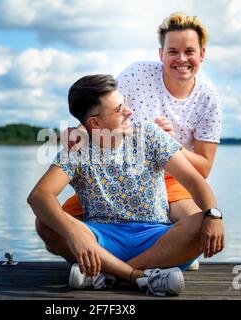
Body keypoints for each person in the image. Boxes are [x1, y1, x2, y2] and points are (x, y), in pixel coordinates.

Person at [28, 74, 225, 296]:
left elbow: (194, 181)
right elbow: (39, 196)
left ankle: (108, 275)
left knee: (202, 222)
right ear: (95, 123)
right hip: (101, 242)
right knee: (44, 222)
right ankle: (143, 277)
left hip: (155, 240)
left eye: (125, 104)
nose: (129, 111)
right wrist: (74, 234)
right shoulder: (79, 149)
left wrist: (214, 215)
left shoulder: (149, 135)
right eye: (119, 109)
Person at [60, 13, 222, 251]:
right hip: (118, 172)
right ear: (161, 54)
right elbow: (106, 107)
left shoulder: (209, 100)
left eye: (189, 51)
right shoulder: (138, 73)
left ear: (202, 54)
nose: (181, 59)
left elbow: (204, 168)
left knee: (200, 228)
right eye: (172, 51)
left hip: (171, 178)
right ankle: (137, 257)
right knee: (57, 225)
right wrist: (79, 130)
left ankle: (147, 254)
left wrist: (166, 143)